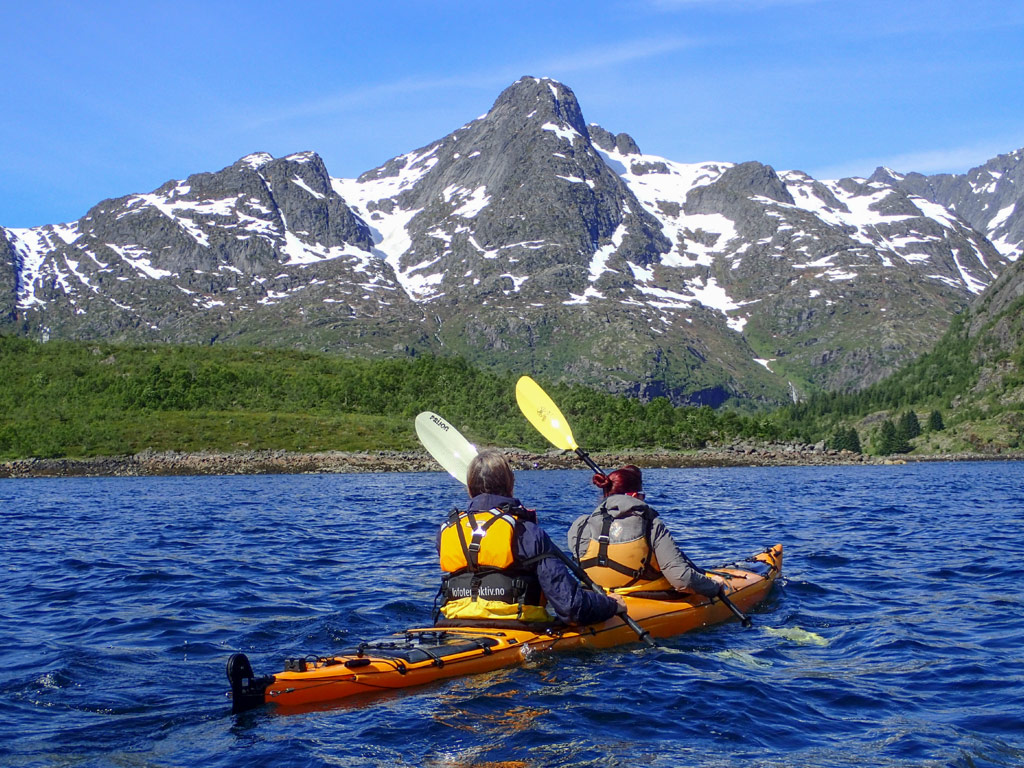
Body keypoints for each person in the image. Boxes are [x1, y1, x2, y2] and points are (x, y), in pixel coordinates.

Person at [436, 450, 624, 627]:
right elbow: (570, 607)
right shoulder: (527, 532)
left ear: (469, 489)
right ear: (511, 485)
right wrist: (610, 605)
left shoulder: (447, 530)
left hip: (455, 624)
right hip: (518, 628)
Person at [567, 465, 723, 600]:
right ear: (635, 496)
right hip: (643, 597)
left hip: (597, 596)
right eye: (642, 495)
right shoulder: (650, 525)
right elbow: (681, 579)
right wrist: (714, 586)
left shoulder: (580, 525)